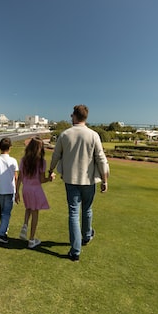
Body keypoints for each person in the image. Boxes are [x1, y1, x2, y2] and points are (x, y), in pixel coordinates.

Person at [49, 105, 109, 262]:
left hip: (71, 180)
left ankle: (75, 251)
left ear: (74, 116)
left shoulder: (65, 134)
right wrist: (105, 179)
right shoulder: (93, 135)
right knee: (87, 210)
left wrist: (50, 170)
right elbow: (101, 159)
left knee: (74, 213)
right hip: (89, 180)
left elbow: (56, 155)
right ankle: (86, 236)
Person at [16, 136, 53, 249]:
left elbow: (20, 177)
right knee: (35, 213)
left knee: (28, 208)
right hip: (36, 190)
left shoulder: (23, 160)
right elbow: (41, 180)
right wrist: (49, 179)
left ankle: (25, 225)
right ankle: (31, 239)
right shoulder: (42, 162)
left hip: (25, 189)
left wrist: (16, 191)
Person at [0, 137, 19, 244]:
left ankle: (3, 228)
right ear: (10, 148)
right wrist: (17, 191)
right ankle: (1, 234)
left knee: (2, 211)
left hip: (0, 189)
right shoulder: (13, 161)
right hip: (10, 189)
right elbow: (16, 177)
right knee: (6, 212)